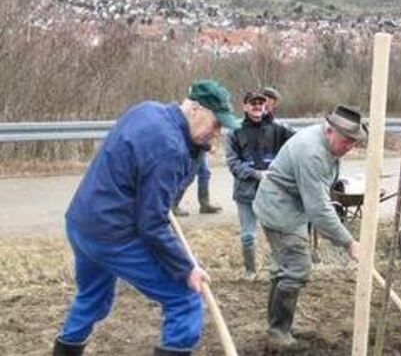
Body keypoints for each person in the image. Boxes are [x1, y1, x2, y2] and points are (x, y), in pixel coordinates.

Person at [53, 79, 239, 356]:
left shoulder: (148, 110)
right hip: (112, 235)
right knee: (185, 299)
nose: (217, 132)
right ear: (195, 109)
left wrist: (194, 151)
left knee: (93, 299)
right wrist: (186, 269)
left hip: (81, 223)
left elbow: (151, 192)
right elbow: (151, 223)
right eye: (215, 124)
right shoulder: (170, 148)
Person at [252, 104, 365, 351]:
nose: (349, 148)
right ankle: (278, 332)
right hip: (280, 209)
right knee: (297, 268)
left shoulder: (326, 144)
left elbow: (319, 196)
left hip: (290, 205)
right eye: (346, 141)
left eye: (353, 143)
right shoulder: (313, 152)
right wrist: (349, 242)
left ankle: (279, 326)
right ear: (329, 130)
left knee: (286, 268)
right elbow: (318, 208)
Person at [226, 91, 294, 279]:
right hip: (245, 193)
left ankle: (277, 270)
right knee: (248, 236)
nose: (257, 107)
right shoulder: (234, 131)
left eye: (261, 104)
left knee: (277, 234)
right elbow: (233, 164)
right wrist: (256, 174)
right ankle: (250, 272)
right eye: (253, 103)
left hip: (271, 193)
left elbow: (297, 144)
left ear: (266, 106)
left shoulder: (278, 128)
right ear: (245, 106)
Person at [171, 147, 222, 217]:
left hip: (200, 150)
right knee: (189, 177)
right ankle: (173, 205)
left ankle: (205, 205)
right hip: (196, 148)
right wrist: (208, 146)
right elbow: (197, 136)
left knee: (205, 174)